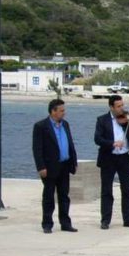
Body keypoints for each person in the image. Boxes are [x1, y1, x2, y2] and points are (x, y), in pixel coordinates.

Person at [94, 95, 129, 230]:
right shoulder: (102, 120)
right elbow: (97, 139)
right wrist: (112, 143)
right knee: (106, 190)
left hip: (124, 157)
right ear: (111, 107)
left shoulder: (127, 120)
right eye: (119, 106)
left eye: (122, 105)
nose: (122, 109)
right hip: (108, 158)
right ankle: (105, 220)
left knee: (127, 189)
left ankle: (128, 219)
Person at [32, 99, 78, 234]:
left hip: (65, 165)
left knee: (64, 196)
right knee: (49, 196)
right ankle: (47, 224)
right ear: (53, 111)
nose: (64, 113)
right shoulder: (41, 126)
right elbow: (37, 149)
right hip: (50, 167)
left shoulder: (65, 125)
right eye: (61, 111)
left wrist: (73, 162)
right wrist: (41, 167)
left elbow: (70, 144)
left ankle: (65, 223)